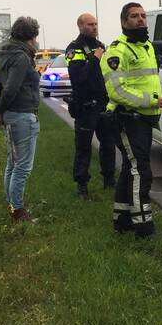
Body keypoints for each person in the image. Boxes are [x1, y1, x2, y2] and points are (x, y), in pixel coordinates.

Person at [100, 2, 162, 238]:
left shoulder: (146, 46)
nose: (140, 19)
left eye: (143, 16)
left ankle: (122, 220)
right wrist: (151, 100)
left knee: (130, 169)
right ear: (123, 22)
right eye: (134, 16)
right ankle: (143, 226)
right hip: (127, 118)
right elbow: (117, 91)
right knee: (141, 171)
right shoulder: (117, 51)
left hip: (144, 119)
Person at [0, 16, 43, 223]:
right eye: (35, 37)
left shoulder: (7, 55)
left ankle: (12, 206)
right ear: (31, 36)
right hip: (22, 114)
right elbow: (11, 88)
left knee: (12, 164)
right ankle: (18, 212)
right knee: (22, 167)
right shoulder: (21, 57)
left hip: (12, 115)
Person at [65, 12, 117, 198]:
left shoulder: (101, 46)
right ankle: (82, 185)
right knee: (84, 147)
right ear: (80, 26)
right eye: (90, 24)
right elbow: (78, 78)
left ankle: (109, 180)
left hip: (104, 103)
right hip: (85, 105)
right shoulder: (74, 49)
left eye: (95, 24)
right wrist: (94, 58)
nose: (94, 27)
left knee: (108, 144)